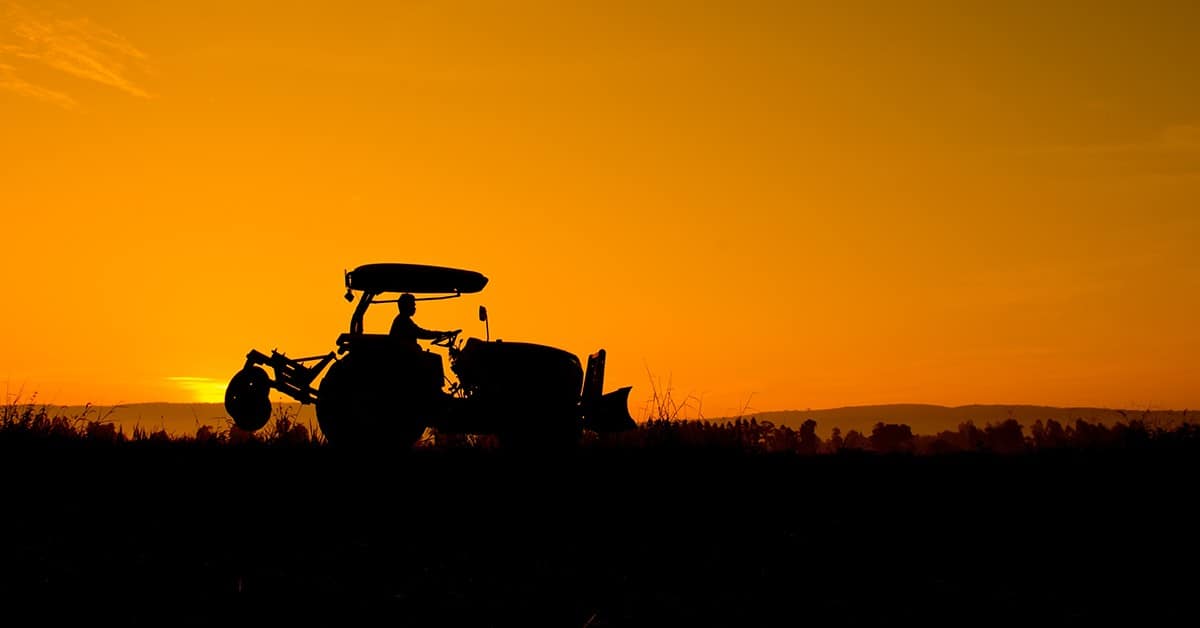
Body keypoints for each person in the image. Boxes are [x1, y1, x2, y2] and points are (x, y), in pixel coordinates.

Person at [389, 293, 457, 348]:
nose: (414, 308)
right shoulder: (403, 321)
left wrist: (440, 334)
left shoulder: (403, 319)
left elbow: (420, 332)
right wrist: (440, 334)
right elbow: (421, 333)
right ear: (406, 306)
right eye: (413, 305)